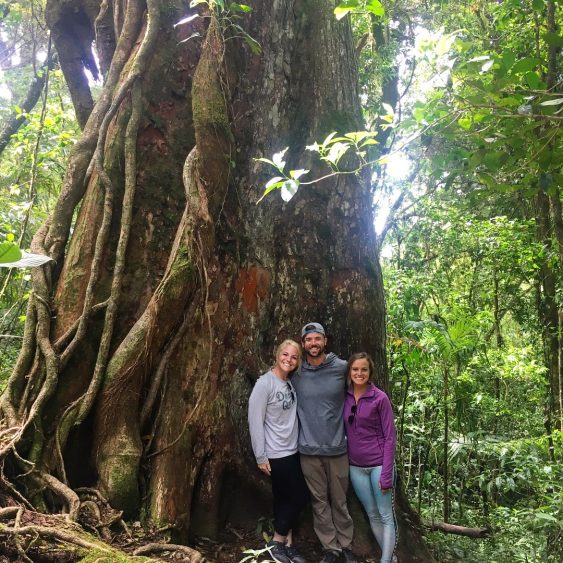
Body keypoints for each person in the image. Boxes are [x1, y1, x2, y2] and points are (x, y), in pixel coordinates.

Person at [291, 323, 357, 563]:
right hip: (308, 450)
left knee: (340, 501)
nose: (313, 344)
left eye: (317, 339)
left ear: (325, 341)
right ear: (303, 343)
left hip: (338, 448)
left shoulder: (341, 368)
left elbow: (360, 392)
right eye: (309, 340)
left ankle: (346, 546)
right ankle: (331, 548)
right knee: (319, 502)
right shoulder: (296, 372)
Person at [248, 339, 310, 563]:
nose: (289, 360)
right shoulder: (265, 384)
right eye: (285, 355)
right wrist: (261, 456)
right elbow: (255, 421)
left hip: (293, 450)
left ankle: (288, 545)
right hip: (275, 453)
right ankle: (276, 541)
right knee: (300, 496)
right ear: (277, 355)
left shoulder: (289, 383)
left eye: (294, 357)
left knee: (285, 500)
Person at [343, 353, 398, 563]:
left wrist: (386, 473)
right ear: (350, 371)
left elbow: (390, 438)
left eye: (363, 369)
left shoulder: (379, 398)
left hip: (378, 465)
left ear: (370, 372)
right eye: (355, 369)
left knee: (385, 515)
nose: (359, 373)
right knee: (372, 514)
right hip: (355, 467)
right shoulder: (345, 396)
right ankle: (390, 557)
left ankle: (385, 561)